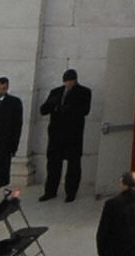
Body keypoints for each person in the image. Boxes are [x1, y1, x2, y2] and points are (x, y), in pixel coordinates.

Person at [37, 74, 93, 205]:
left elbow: (85, 110)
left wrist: (68, 109)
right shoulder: (56, 92)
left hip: (73, 134)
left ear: (74, 81)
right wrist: (53, 104)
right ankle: (50, 191)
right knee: (53, 164)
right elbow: (43, 110)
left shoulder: (84, 92)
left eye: (68, 81)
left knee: (73, 165)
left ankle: (71, 192)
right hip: (56, 134)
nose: (66, 84)